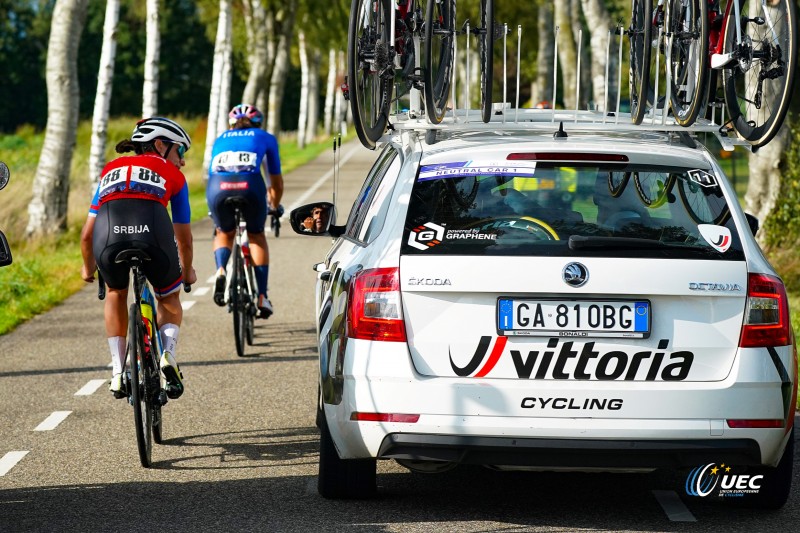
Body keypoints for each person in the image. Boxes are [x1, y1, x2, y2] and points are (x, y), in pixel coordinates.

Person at [80, 117, 196, 399]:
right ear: (160, 145)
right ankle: (168, 354)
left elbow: (86, 234)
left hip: (109, 237)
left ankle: (118, 372)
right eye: (180, 151)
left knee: (115, 293)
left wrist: (88, 267)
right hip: (153, 233)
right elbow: (183, 236)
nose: (181, 161)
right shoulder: (173, 174)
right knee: (168, 297)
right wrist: (188, 270)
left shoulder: (110, 170)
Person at [207, 104, 284, 318]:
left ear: (231, 124)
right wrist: (274, 206)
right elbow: (275, 181)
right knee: (257, 235)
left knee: (223, 231)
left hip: (217, 188)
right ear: (258, 122)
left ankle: (221, 269)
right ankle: (261, 296)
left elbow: (210, 172)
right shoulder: (265, 137)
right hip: (250, 186)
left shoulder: (220, 139)